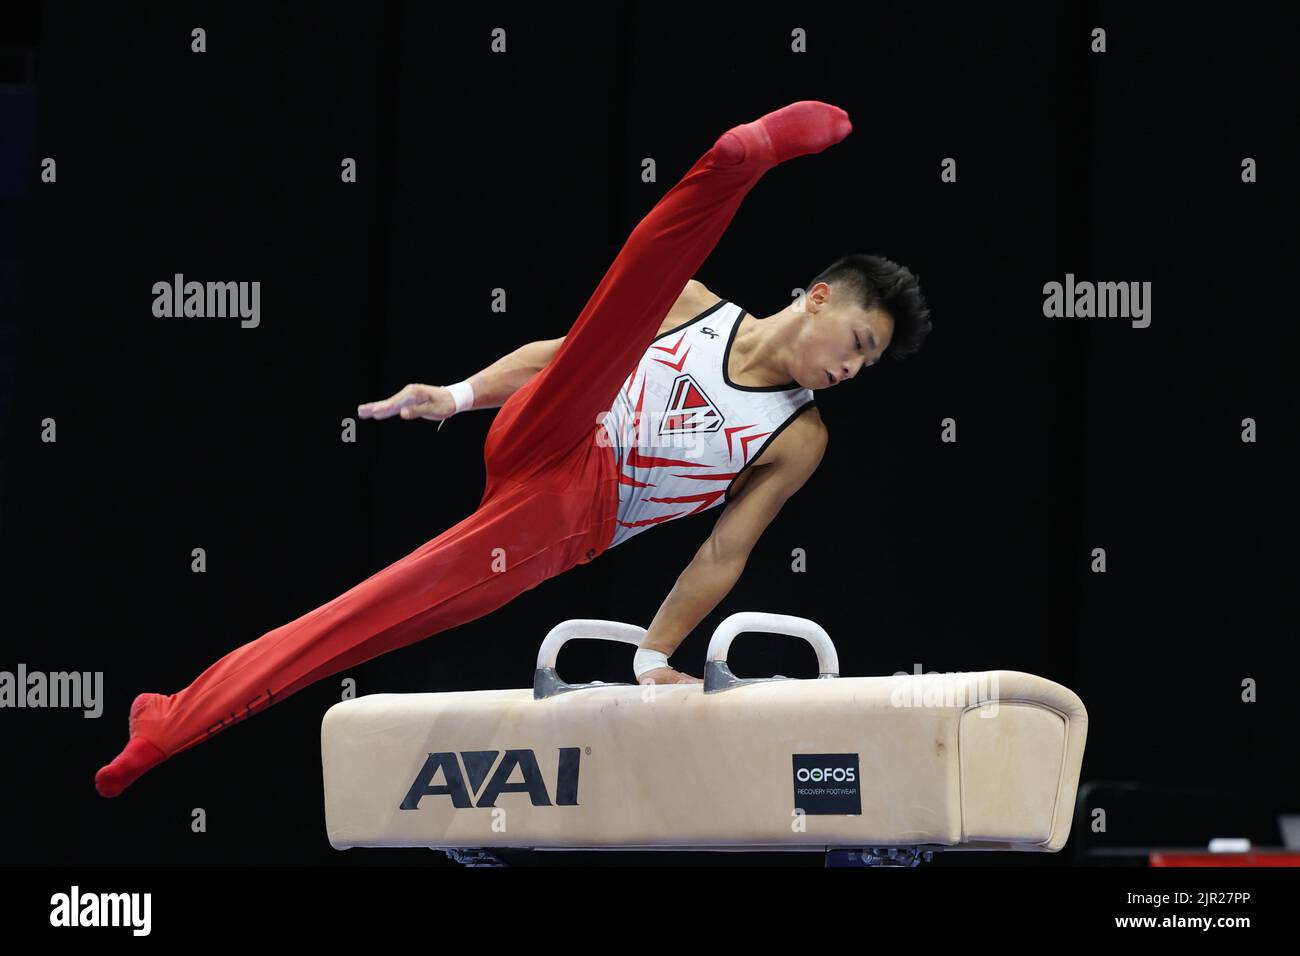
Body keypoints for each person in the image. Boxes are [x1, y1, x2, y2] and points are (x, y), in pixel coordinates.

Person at [95, 100, 931, 799]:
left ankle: (171, 721)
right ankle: (737, 161)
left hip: (565, 514)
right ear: (818, 300)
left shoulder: (798, 434)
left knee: (374, 608)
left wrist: (650, 657)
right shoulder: (699, 306)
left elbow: (723, 550)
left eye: (866, 363)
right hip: (555, 425)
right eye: (856, 340)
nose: (852, 367)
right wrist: (456, 396)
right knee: (638, 293)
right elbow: (563, 358)